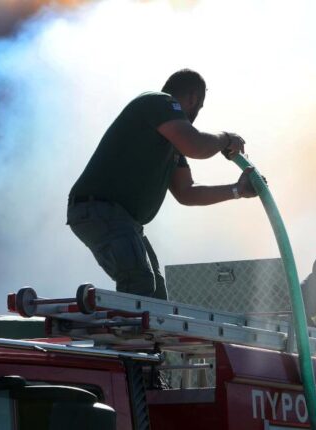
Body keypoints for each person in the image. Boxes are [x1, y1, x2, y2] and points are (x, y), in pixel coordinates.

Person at [67, 69, 259, 300]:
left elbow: (186, 192)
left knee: (155, 295)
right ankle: (117, 335)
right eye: (199, 106)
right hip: (101, 210)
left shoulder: (170, 140)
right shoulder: (160, 102)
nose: (196, 114)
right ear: (193, 98)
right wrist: (226, 138)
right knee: (139, 283)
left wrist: (237, 190)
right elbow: (195, 145)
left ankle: (138, 335)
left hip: (118, 217)